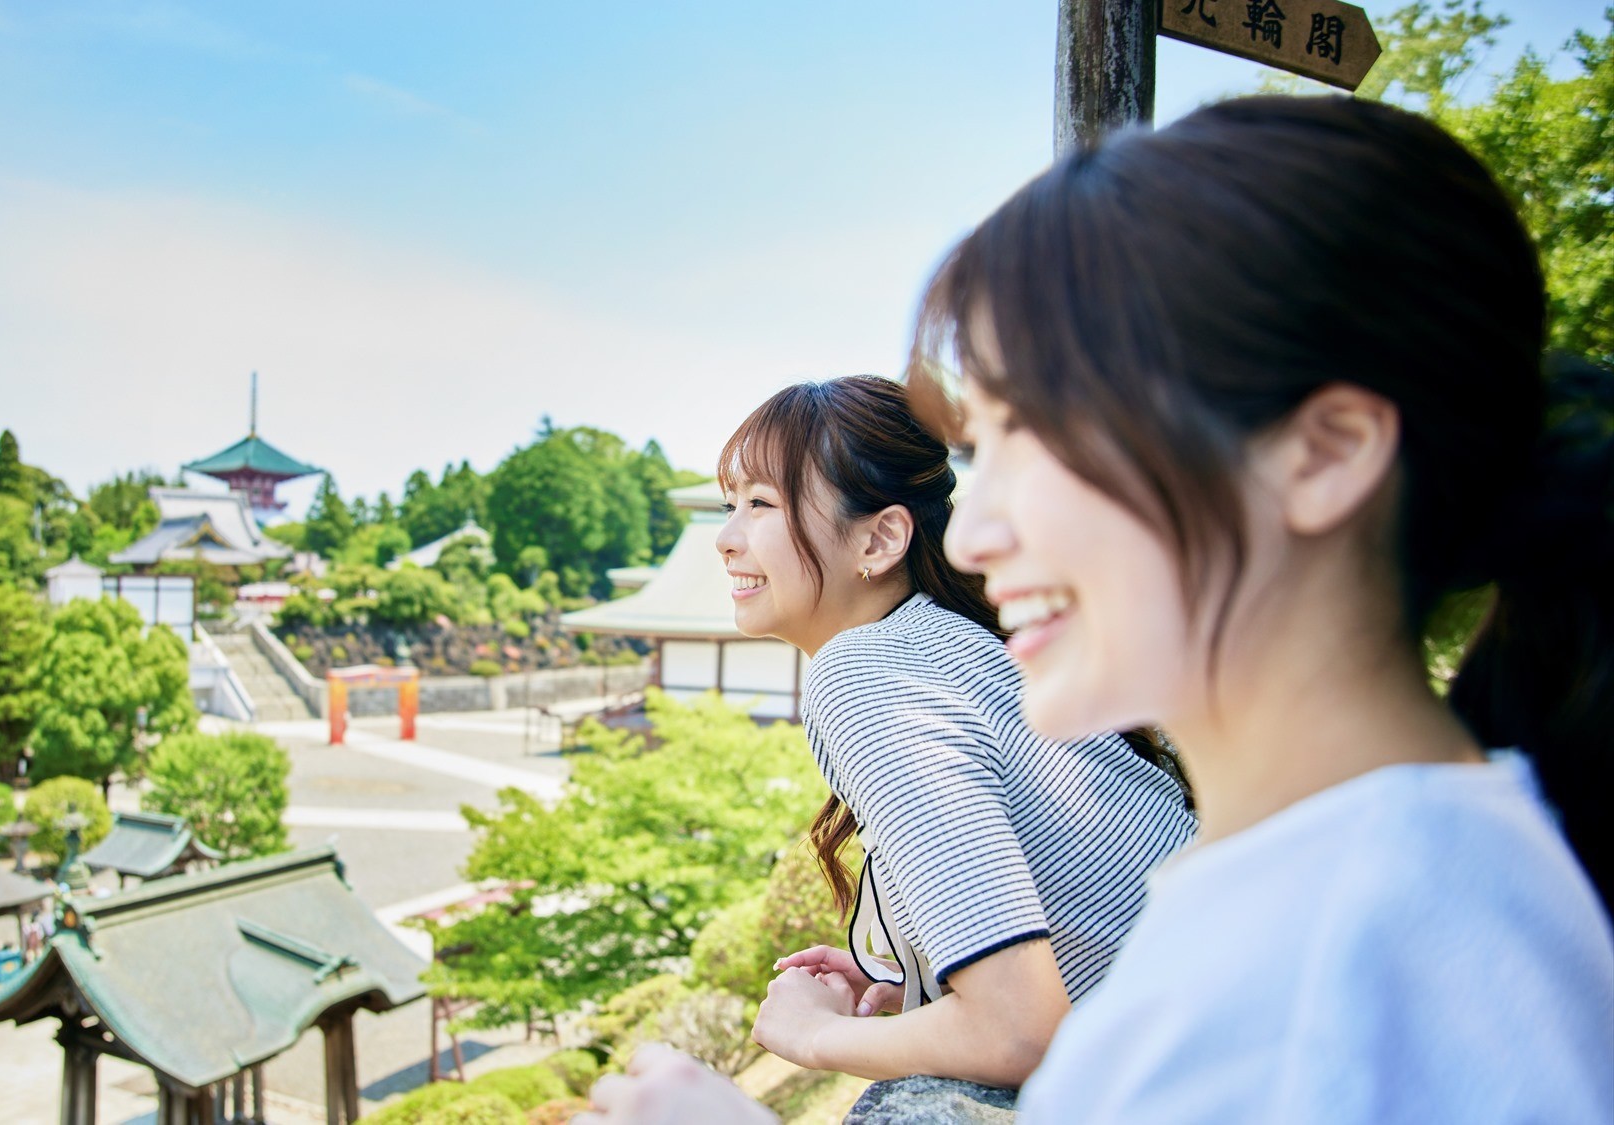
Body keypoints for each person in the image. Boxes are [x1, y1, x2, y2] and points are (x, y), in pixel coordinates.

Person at [587, 94, 1613, 1123]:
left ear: (1325, 453)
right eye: (976, 452)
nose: (974, 530)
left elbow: (1027, 1030)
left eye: (1036, 439)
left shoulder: (1345, 944)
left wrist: (756, 1089)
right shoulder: (1388, 882)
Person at [712, 376, 1192, 1091]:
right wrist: (908, 958)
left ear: (879, 537)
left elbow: (1017, 1029)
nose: (725, 539)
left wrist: (812, 1034)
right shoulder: (951, 640)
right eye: (730, 505)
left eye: (761, 505)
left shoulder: (860, 674)